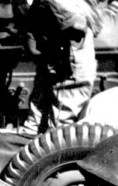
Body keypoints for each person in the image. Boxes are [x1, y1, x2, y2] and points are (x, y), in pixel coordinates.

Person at [17, 0, 103, 134]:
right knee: (35, 123)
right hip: (53, 57)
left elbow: (77, 24)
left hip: (67, 61)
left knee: (59, 130)